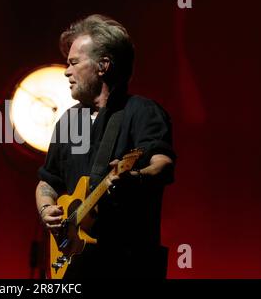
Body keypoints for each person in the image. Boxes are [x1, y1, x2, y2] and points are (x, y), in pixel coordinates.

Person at [35, 14, 176, 278]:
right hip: (74, 264)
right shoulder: (69, 120)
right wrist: (46, 209)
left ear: (103, 66)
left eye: (74, 62)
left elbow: (163, 164)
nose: (66, 71)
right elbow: (48, 181)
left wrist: (135, 178)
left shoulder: (142, 111)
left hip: (126, 264)